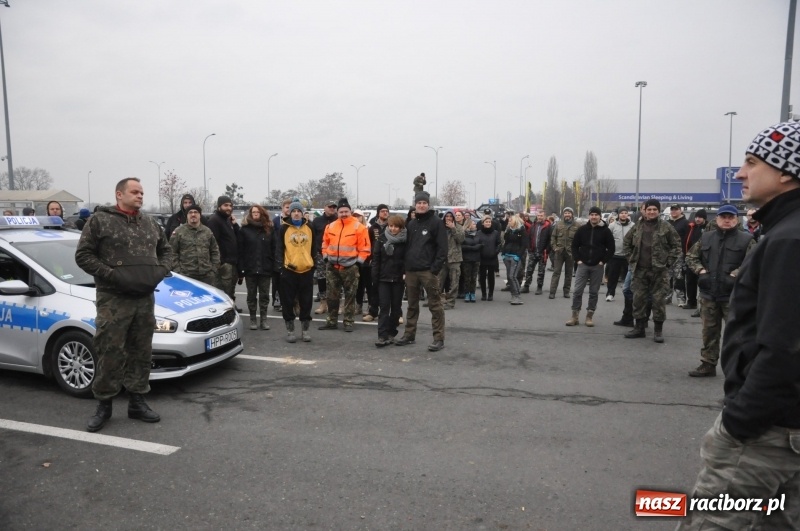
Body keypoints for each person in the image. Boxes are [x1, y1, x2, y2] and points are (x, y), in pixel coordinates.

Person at [677, 121, 800, 530]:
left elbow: (785, 347)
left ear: (786, 171)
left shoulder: (789, 240)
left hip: (769, 430)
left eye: (751, 162)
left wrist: (739, 422)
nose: (741, 172)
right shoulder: (781, 230)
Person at [75, 177, 173, 432]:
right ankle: (104, 404)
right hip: (113, 300)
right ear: (119, 195)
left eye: (142, 192)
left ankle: (137, 401)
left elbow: (167, 251)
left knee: (141, 351)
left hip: (143, 299)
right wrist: (112, 275)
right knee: (110, 351)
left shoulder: (150, 223)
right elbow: (83, 255)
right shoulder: (100, 221)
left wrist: (160, 271)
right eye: (135, 192)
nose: (140, 196)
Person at [684, 204, 754, 378]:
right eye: (724, 217)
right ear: (717, 219)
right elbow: (691, 256)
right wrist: (700, 271)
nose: (727, 220)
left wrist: (736, 274)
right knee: (709, 332)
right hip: (709, 294)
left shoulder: (746, 240)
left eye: (731, 217)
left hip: (734, 297)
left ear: (737, 220)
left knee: (737, 336)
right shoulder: (706, 238)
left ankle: (738, 370)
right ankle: (708, 363)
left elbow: (753, 263)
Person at [622, 199, 681, 343]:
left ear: (659, 211)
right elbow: (626, 243)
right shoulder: (638, 226)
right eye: (649, 209)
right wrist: (632, 259)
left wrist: (668, 263)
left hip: (659, 271)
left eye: (654, 209)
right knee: (639, 300)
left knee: (658, 301)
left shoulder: (666, 227)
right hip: (640, 270)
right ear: (645, 211)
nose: (652, 212)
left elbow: (677, 246)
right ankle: (639, 328)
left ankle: (658, 331)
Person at [395, 191, 447, 351]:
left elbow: (442, 248)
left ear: (428, 205)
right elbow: (406, 247)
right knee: (411, 305)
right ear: (415, 205)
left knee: (435, 305)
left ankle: (438, 339)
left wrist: (434, 269)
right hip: (411, 271)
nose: (421, 205)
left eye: (424, 203)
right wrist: (405, 267)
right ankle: (409, 335)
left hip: (428, 272)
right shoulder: (411, 224)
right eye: (419, 203)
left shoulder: (436, 222)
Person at [318, 198, 371, 332]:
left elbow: (365, 247)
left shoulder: (359, 227)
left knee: (350, 296)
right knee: (332, 296)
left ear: (350, 211)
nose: (343, 214)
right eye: (341, 211)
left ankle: (348, 321)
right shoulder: (330, 226)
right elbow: (325, 243)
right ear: (337, 212)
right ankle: (331, 321)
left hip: (350, 267)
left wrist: (358, 263)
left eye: (346, 211)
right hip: (332, 267)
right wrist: (325, 257)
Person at [566, 206, 614, 326]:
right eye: (592, 214)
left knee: (593, 292)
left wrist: (603, 261)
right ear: (589, 216)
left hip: (597, 266)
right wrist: (578, 260)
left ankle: (589, 316)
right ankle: (575, 316)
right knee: (577, 291)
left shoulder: (606, 231)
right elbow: (574, 246)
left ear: (600, 216)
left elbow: (611, 248)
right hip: (583, 265)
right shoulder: (582, 230)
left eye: (596, 215)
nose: (594, 217)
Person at [275, 200, 315, 343]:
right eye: (293, 211)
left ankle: (305, 330)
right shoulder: (284, 229)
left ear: (302, 213)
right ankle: (290, 330)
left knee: (306, 302)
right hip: (289, 271)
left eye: (298, 211)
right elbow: (279, 249)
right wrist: (281, 268)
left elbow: (314, 248)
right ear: (290, 213)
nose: (296, 213)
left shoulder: (310, 227)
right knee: (287, 302)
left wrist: (313, 266)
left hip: (306, 271)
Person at [238, 204, 276, 331]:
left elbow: (274, 248)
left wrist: (274, 265)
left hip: (265, 268)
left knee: (264, 295)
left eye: (257, 212)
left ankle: (264, 319)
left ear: (262, 213)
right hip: (250, 269)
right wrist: (242, 268)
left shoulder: (269, 229)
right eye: (253, 212)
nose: (255, 214)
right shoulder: (244, 230)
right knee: (251, 295)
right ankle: (253, 319)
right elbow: (241, 250)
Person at [371, 215, 407, 347]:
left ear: (401, 227)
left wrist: (405, 272)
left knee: (396, 308)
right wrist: (375, 277)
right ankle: (382, 335)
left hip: (398, 278)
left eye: (396, 226)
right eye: (391, 226)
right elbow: (376, 259)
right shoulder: (381, 239)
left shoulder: (405, 240)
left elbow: (406, 259)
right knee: (384, 307)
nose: (393, 229)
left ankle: (392, 332)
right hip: (383, 278)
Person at [169, 203, 219, 286]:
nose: (193, 214)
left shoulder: (207, 231)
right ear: (187, 216)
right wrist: (178, 271)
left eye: (196, 212)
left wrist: (213, 270)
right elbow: (172, 252)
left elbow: (215, 251)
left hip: (206, 276)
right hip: (186, 276)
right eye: (190, 212)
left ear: (200, 215)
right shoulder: (179, 232)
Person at [206, 196, 240, 309]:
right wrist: (220, 262)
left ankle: (231, 308)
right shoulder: (214, 220)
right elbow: (213, 244)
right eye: (226, 205)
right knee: (222, 292)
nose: (228, 208)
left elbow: (236, 238)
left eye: (230, 205)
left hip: (232, 262)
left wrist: (235, 225)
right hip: (224, 263)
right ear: (219, 206)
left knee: (230, 290)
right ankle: (224, 313)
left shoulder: (227, 220)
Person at [311, 200, 338, 315]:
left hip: (335, 255)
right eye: (329, 206)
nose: (332, 208)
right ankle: (323, 303)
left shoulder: (339, 220)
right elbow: (312, 237)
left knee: (336, 280)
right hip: (320, 254)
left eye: (334, 207)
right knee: (321, 279)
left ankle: (337, 304)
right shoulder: (317, 221)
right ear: (324, 207)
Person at [366, 203, 391, 320]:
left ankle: (396, 313)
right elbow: (369, 243)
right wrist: (370, 258)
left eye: (386, 211)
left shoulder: (392, 226)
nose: (385, 213)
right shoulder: (373, 227)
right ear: (378, 213)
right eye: (382, 211)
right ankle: (373, 311)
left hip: (389, 261)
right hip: (376, 261)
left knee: (391, 289)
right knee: (374, 287)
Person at [549, 206, 580, 299]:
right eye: (565, 213)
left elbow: (580, 239)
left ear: (572, 214)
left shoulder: (577, 225)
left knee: (569, 273)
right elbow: (553, 237)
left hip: (570, 253)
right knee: (556, 272)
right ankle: (552, 292)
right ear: (563, 214)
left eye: (569, 213)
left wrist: (577, 250)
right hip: (559, 252)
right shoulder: (558, 224)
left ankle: (566, 291)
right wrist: (554, 247)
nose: (567, 215)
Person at [682, 209, 707, 315]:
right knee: (690, 281)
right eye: (696, 217)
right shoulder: (691, 227)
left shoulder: (707, 229)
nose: (697, 219)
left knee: (702, 283)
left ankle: (701, 307)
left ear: (704, 218)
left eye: (700, 217)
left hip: (703, 260)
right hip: (690, 258)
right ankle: (691, 302)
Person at [438, 211, 464, 309]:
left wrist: (453, 228)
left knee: (454, 282)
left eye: (450, 216)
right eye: (447, 216)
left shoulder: (459, 227)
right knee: (438, 281)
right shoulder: (440, 228)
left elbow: (460, 240)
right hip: (442, 258)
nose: (448, 218)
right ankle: (438, 300)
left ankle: (450, 302)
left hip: (455, 258)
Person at [352, 209, 375, 319]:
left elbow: (371, 244)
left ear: (362, 217)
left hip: (366, 261)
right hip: (354, 260)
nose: (357, 218)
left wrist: (370, 258)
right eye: (355, 216)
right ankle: (358, 305)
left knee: (368, 284)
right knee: (358, 285)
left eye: (359, 216)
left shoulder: (368, 228)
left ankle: (370, 306)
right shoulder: (351, 228)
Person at [605, 206, 632, 302]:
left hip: (628, 256)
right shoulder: (612, 225)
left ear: (628, 214)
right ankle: (610, 294)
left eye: (625, 213)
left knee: (628, 278)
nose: (623, 214)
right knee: (613, 277)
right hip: (615, 256)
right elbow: (607, 239)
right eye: (622, 213)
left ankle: (629, 296)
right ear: (618, 214)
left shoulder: (632, 226)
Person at [522, 211, 552, 295]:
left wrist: (547, 249)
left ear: (545, 216)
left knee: (541, 271)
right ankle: (526, 286)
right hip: (533, 251)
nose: (539, 217)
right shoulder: (533, 226)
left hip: (543, 252)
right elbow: (528, 237)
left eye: (541, 216)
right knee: (529, 270)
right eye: (538, 215)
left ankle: (539, 287)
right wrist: (529, 248)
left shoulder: (548, 226)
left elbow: (551, 239)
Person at [272, 199, 293, 312]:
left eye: (291, 207)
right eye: (287, 207)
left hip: (290, 255)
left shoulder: (294, 221)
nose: (289, 210)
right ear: (282, 208)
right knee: (277, 280)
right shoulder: (275, 221)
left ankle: (288, 301)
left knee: (288, 280)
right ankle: (277, 301)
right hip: (278, 255)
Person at [667, 204, 690, 306]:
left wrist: (686, 253)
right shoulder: (667, 223)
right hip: (667, 254)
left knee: (679, 276)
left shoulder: (686, 223)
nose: (674, 211)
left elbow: (688, 239)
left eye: (676, 210)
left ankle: (681, 298)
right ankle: (667, 297)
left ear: (680, 211)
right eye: (672, 210)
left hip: (680, 254)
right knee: (667, 277)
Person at [501, 213, 526, 305]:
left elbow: (524, 245)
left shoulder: (522, 230)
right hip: (507, 255)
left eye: (510, 220)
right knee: (509, 277)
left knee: (512, 276)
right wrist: (503, 254)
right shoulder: (509, 230)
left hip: (515, 256)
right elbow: (505, 242)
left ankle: (517, 296)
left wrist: (518, 256)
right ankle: (513, 295)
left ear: (515, 221)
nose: (509, 222)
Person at [476, 216, 501, 301]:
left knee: (491, 277)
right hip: (482, 257)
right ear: (483, 223)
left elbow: (499, 244)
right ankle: (483, 294)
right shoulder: (479, 233)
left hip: (492, 257)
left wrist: (495, 252)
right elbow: (476, 243)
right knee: (482, 277)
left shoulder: (495, 233)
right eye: (486, 222)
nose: (488, 223)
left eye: (489, 222)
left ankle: (490, 294)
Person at [460, 220, 482, 302]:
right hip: (467, 259)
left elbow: (481, 244)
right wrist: (472, 248)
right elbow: (461, 246)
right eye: (473, 223)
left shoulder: (478, 234)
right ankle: (466, 293)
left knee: (474, 277)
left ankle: (472, 293)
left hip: (476, 259)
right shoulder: (464, 235)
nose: (475, 225)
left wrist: (477, 247)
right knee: (467, 277)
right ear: (469, 225)